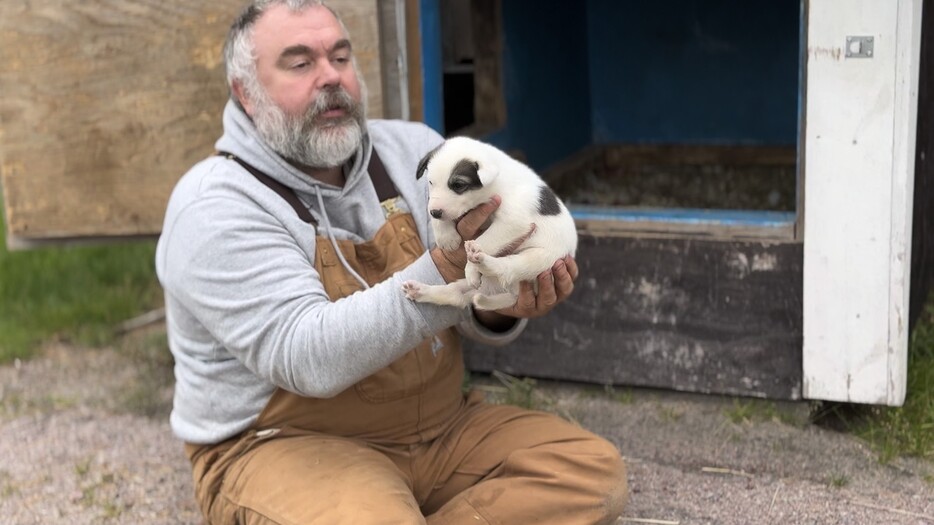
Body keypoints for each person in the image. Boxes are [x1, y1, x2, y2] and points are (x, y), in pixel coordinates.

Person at [155, 1, 627, 523]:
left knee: (590, 474)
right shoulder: (215, 205)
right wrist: (449, 270)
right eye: (300, 63)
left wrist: (500, 302)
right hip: (285, 445)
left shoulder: (415, 150)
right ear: (245, 93)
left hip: (439, 429)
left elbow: (471, 308)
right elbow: (308, 356)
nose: (331, 78)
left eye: (340, 56)